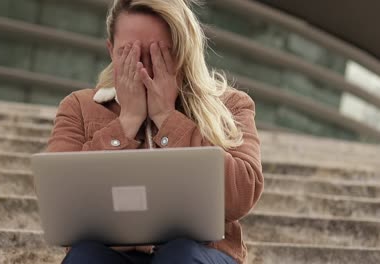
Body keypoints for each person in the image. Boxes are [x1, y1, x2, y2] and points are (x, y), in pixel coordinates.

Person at [46, 0, 264, 263]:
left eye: (158, 54)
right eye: (130, 54)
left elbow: (242, 194)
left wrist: (167, 118)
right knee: (84, 258)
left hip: (200, 253)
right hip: (111, 254)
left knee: (180, 255)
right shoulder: (79, 107)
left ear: (183, 52)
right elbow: (62, 202)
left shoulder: (230, 105)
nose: (143, 69)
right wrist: (126, 122)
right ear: (110, 50)